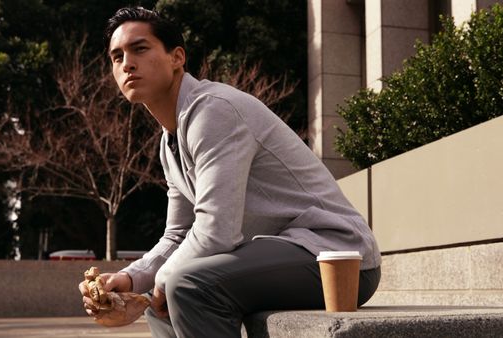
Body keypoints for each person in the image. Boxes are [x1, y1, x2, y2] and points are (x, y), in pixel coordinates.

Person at [79, 6, 381, 338]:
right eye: (116, 56)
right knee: (171, 288)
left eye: (140, 48)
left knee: (186, 284)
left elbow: (216, 231)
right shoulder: (170, 141)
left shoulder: (213, 111)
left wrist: (157, 286)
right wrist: (132, 278)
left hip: (337, 259)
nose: (127, 64)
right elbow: (178, 235)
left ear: (177, 57)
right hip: (280, 254)